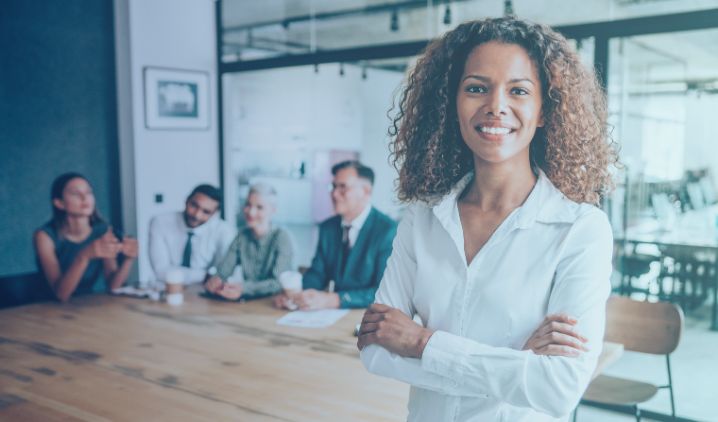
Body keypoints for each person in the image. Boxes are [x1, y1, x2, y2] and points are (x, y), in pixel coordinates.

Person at [357, 17, 619, 421]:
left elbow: (559, 389)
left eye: (518, 90)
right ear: (452, 103)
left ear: (545, 110)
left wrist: (422, 343)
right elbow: (375, 349)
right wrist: (515, 364)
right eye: (476, 88)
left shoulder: (580, 231)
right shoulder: (422, 218)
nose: (496, 106)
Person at [272, 161, 398, 310]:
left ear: (365, 191)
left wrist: (333, 300)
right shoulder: (328, 227)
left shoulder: (388, 231)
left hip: (368, 317)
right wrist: (294, 295)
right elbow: (318, 273)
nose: (334, 194)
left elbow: (384, 292)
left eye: (343, 187)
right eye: (334, 186)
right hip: (331, 318)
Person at [34, 173, 138, 303]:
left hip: (86, 304)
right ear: (59, 203)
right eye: (75, 193)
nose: (84, 198)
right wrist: (84, 255)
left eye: (88, 192)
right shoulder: (44, 236)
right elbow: (61, 295)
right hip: (46, 308)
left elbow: (113, 286)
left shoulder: (103, 230)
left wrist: (129, 259)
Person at [204, 184, 295, 300]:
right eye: (248, 204)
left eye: (259, 207)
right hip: (248, 304)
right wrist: (216, 279)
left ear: (272, 211)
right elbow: (224, 270)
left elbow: (279, 283)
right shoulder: (241, 236)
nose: (251, 212)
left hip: (276, 303)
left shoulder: (282, 237)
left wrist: (243, 288)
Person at [149, 184, 235, 285]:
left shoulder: (223, 230)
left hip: (205, 291)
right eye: (194, 205)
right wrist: (205, 276)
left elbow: (224, 272)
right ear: (186, 200)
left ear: (214, 213)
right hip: (168, 288)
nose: (197, 215)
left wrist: (215, 278)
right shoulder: (160, 221)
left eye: (206, 211)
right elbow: (161, 271)